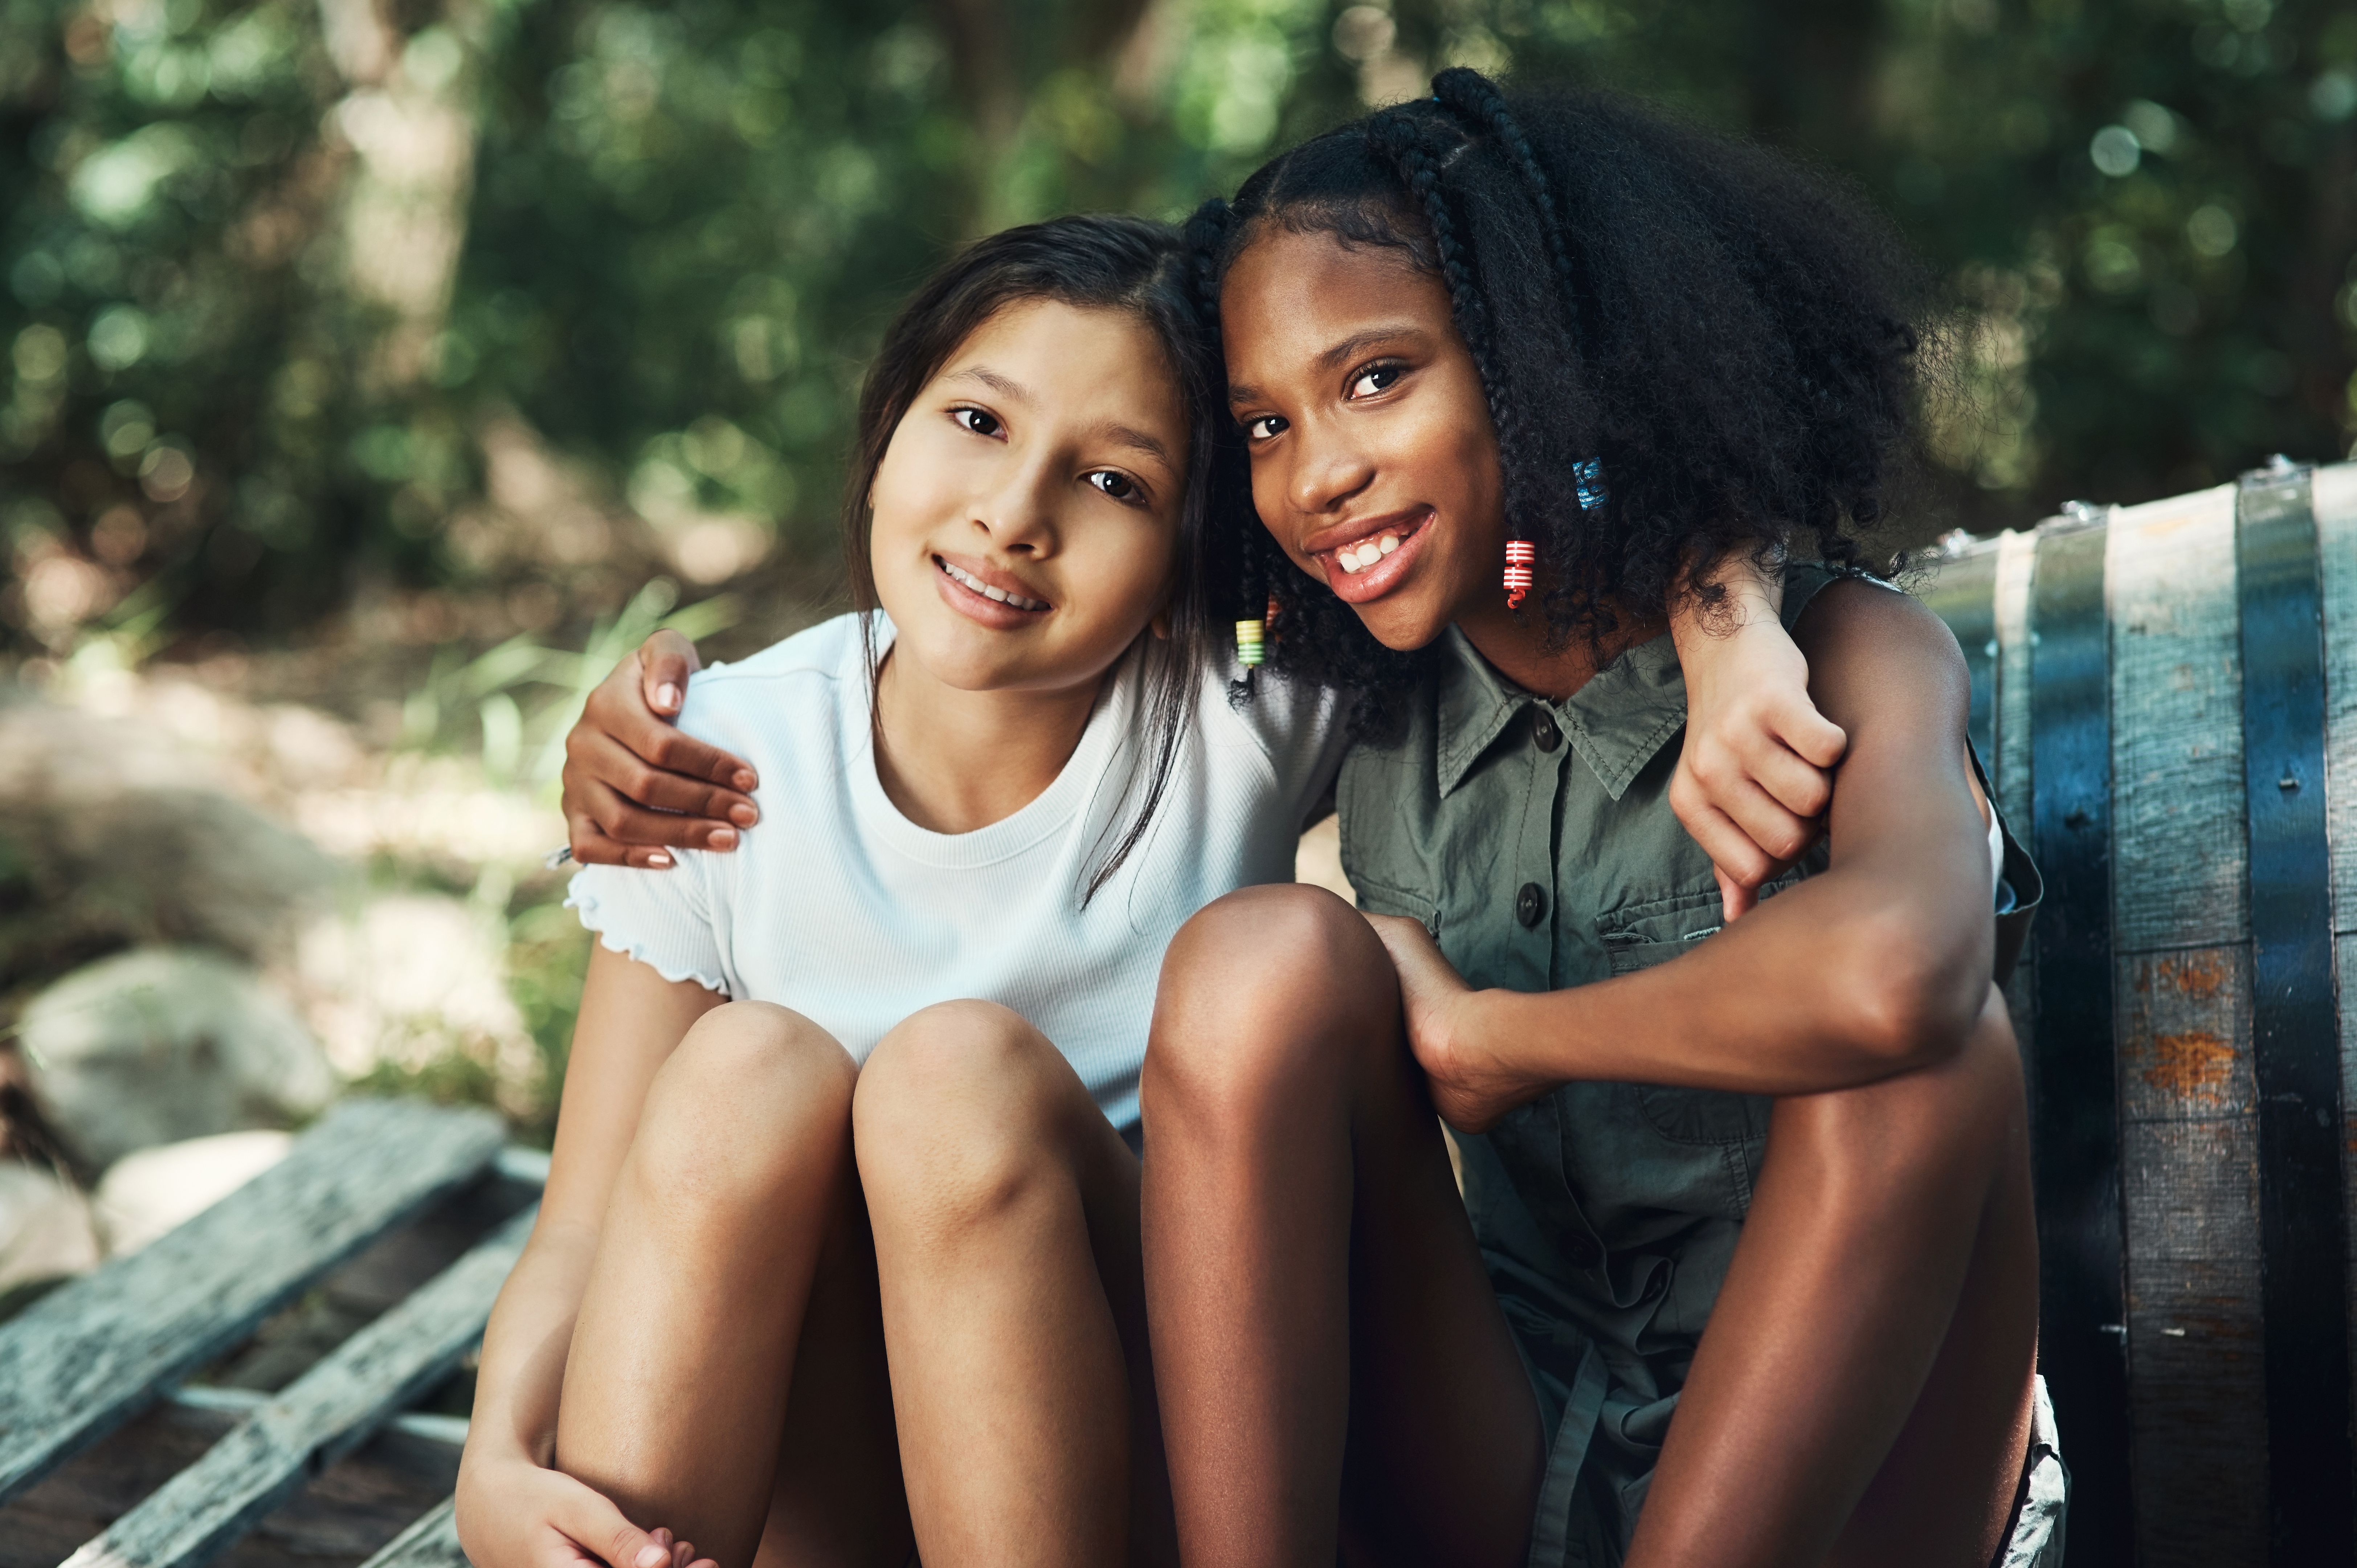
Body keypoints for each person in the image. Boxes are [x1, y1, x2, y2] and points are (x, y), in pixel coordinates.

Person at [469, 208, 1829, 1568]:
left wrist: (1734, 624)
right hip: (818, 1488)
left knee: (951, 1081)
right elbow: (587, 1221)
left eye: (1114, 485)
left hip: (1124, 1472)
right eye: (978, 423)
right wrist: (492, 1464)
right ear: (888, 427)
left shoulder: (1243, 715)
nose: (1014, 516)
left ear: (1197, 551)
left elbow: (1555, 501)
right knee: (737, 1071)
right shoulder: (714, 759)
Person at [1139, 73, 2059, 1568]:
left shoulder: (1845, 655)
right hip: (1520, 1419)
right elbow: (1008, 690)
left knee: (1930, 1048)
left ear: (1538, 365)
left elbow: (1899, 982)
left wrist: (1486, 1042)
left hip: (1867, 1478)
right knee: (1256, 961)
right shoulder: (1347, 704)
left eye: (1378, 377)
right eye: (1260, 425)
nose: (1316, 474)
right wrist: (676, 739)